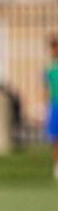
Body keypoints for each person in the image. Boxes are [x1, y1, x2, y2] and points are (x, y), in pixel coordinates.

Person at [46, 35, 58, 181]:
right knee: (55, 138)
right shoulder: (50, 68)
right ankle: (56, 166)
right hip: (55, 104)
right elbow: (46, 89)